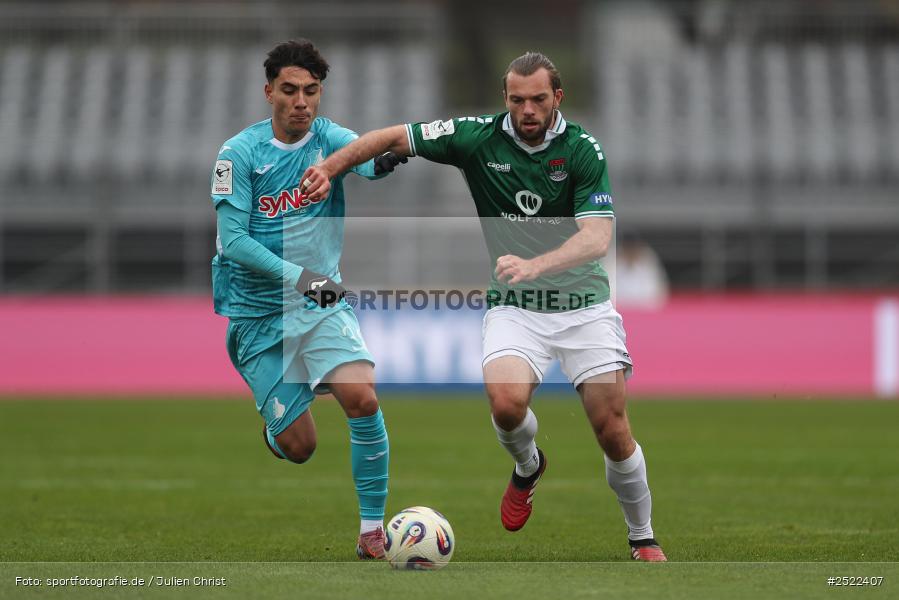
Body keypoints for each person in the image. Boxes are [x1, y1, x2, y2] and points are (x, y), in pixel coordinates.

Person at [299, 52, 667, 561]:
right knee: (506, 403)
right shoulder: (476, 137)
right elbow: (392, 136)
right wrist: (331, 167)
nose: (527, 110)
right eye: (517, 100)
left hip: (585, 307)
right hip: (516, 307)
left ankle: (642, 536)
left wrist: (538, 265)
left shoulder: (583, 150)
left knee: (613, 430)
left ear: (557, 97)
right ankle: (528, 466)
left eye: (538, 99)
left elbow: (597, 238)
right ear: (506, 99)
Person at [209, 39, 406, 560]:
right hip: (256, 314)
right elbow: (234, 244)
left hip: (319, 300)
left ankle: (371, 531)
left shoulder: (329, 139)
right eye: (290, 90)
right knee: (301, 448)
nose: (301, 101)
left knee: (362, 397)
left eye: (312, 91)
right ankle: (276, 429)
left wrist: (393, 153)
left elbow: (365, 159)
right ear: (269, 90)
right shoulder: (238, 155)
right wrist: (301, 277)